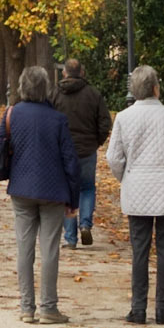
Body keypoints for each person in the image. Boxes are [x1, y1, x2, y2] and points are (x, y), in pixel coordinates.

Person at [0, 64, 81, 325]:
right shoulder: (58, 119)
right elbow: (70, 162)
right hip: (53, 191)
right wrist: (73, 201)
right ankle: (49, 308)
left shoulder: (11, 114)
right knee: (50, 249)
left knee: (24, 248)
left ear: (22, 87)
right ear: (46, 89)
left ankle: (26, 307)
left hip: (21, 190)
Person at [106, 64, 164, 325]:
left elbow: (113, 157)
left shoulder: (123, 117)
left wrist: (127, 177)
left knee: (140, 250)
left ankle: (137, 308)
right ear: (156, 88)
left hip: (137, 189)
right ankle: (162, 309)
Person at [54, 57, 113, 249]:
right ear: (82, 73)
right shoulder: (93, 95)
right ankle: (85, 224)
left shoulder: (55, 95)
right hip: (87, 150)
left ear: (64, 73)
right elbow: (105, 122)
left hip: (63, 151)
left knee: (66, 192)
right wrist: (96, 142)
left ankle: (70, 238)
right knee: (87, 188)